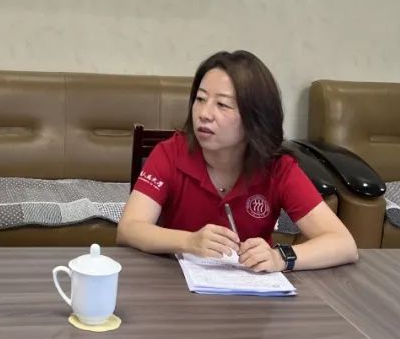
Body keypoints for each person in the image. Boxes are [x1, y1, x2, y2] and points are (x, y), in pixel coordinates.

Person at [117, 50, 357, 272]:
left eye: (222, 104)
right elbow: (129, 229)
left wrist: (280, 258)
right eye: (200, 99)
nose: (204, 114)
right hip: (177, 284)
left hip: (252, 292)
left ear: (256, 116)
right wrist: (189, 241)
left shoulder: (278, 168)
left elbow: (344, 244)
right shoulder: (170, 153)